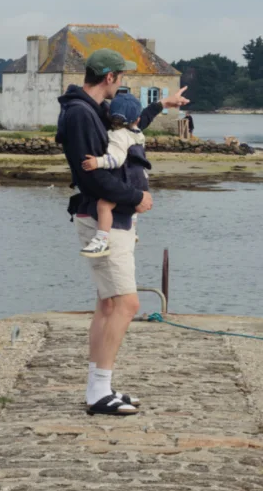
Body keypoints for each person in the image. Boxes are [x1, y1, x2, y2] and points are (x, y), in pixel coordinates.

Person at [56, 48, 188, 417]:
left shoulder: (90, 109)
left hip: (110, 219)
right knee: (127, 305)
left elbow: (129, 130)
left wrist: (162, 104)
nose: (121, 85)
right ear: (110, 77)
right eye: (120, 78)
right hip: (104, 221)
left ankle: (100, 385)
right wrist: (136, 197)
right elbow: (90, 175)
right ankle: (99, 392)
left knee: (108, 304)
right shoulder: (81, 113)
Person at [79, 93, 149, 258]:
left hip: (128, 180)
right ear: (137, 120)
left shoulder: (118, 135)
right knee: (133, 207)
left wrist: (98, 162)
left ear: (110, 115)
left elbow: (116, 159)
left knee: (104, 205)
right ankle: (133, 231)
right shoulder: (138, 133)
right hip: (141, 179)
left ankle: (101, 240)